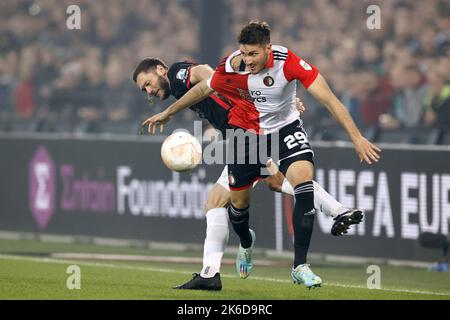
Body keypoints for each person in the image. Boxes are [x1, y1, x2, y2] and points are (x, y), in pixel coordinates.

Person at [135, 48, 367, 288]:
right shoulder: (177, 89)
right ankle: (336, 211)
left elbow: (207, 74)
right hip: (241, 134)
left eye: (148, 83)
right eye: (145, 90)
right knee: (273, 182)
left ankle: (212, 272)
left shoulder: (176, 74)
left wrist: (255, 102)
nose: (149, 90)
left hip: (248, 132)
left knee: (220, 202)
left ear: (161, 70)